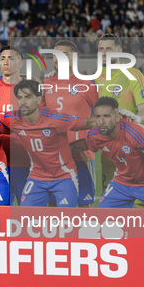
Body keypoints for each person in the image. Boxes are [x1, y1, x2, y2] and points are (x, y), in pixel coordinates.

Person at [11, 79, 95, 207]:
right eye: (20, 97)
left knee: (65, 221)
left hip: (64, 176)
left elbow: (88, 123)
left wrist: (116, 118)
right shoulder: (14, 120)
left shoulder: (56, 119)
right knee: (25, 217)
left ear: (39, 99)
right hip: (37, 177)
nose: (23, 102)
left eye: (28, 97)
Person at [96, 34, 144, 203]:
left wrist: (136, 119)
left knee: (142, 208)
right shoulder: (95, 79)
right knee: (112, 206)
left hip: (134, 145)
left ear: (119, 51)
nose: (104, 53)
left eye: (109, 49)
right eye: (101, 49)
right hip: (109, 149)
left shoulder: (133, 75)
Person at [43, 40, 99, 207]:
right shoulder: (46, 85)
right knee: (53, 208)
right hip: (53, 158)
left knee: (84, 207)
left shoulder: (86, 85)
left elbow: (103, 116)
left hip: (80, 155)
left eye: (64, 54)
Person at [84, 96, 144, 209]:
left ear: (117, 117)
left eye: (107, 116)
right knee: (101, 218)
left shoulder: (135, 133)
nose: (101, 121)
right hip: (122, 182)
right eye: (98, 116)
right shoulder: (94, 135)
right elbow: (86, 146)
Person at [0, 46, 29, 205]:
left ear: (20, 63)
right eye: (3, 58)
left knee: (27, 211)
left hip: (26, 160)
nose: (6, 62)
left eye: (11, 58)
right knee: (0, 209)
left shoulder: (31, 89)